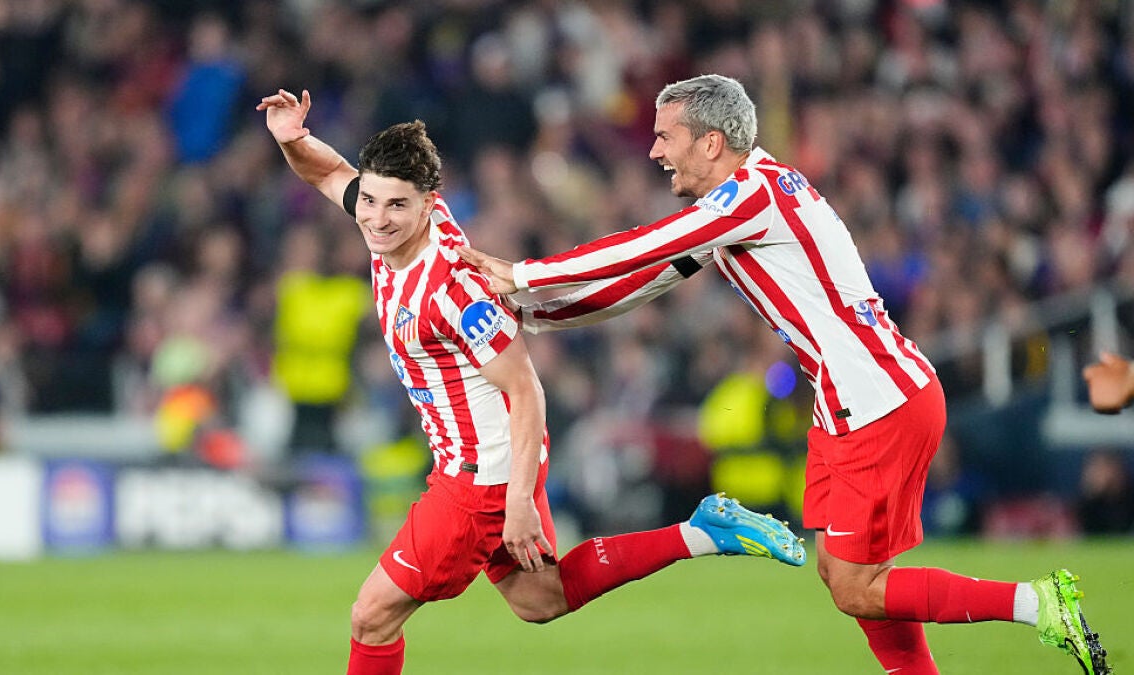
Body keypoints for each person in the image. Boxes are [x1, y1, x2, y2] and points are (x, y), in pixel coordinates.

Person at [457, 74, 1110, 675]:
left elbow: (646, 245)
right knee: (844, 575)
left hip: (875, 400)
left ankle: (1036, 602)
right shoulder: (742, 200)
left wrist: (522, 274)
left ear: (711, 142)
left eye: (666, 136)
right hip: (855, 398)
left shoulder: (752, 195)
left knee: (858, 584)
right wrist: (532, 313)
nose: (655, 151)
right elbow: (642, 282)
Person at [257, 88, 805, 675]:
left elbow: (525, 389)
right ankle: (702, 533)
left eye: (395, 206)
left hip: (480, 480)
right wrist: (292, 137)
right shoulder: (386, 225)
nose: (375, 218)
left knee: (372, 618)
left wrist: (515, 501)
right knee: (540, 599)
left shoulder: (452, 288)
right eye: (368, 202)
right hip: (490, 464)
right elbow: (329, 171)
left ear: (428, 205)